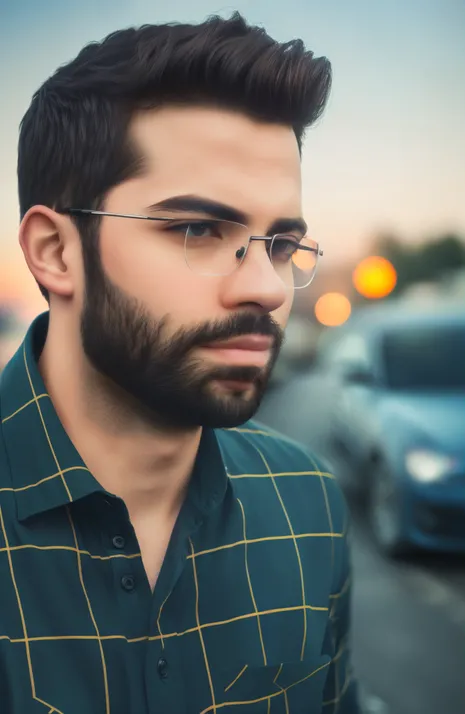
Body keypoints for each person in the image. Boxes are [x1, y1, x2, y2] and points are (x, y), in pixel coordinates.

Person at [0, 12, 360, 714]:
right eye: (198, 228)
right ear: (55, 251)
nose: (265, 286)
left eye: (282, 245)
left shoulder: (310, 502)